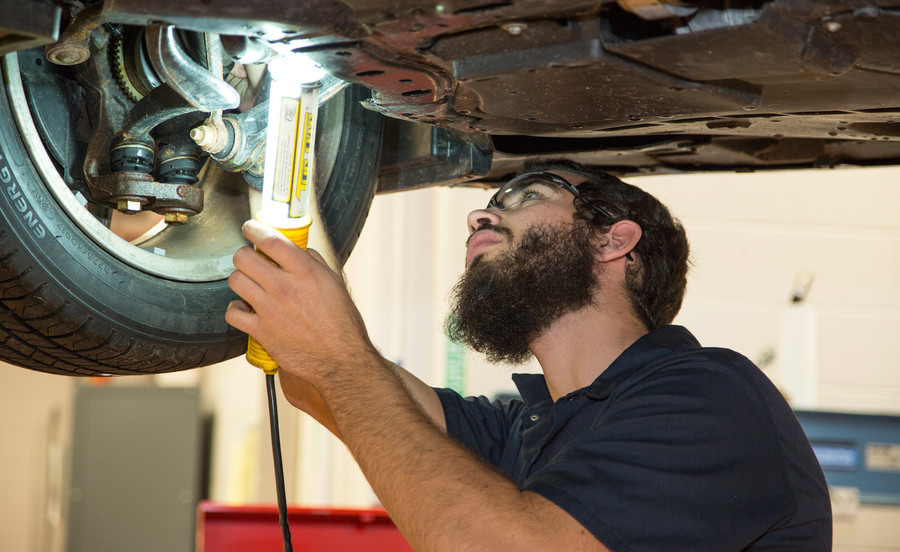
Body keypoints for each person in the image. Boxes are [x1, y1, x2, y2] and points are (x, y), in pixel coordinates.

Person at [226, 160, 832, 551]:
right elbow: (322, 382)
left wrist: (337, 360)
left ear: (612, 240)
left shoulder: (712, 396)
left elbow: (343, 370)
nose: (479, 213)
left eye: (529, 193)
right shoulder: (530, 432)